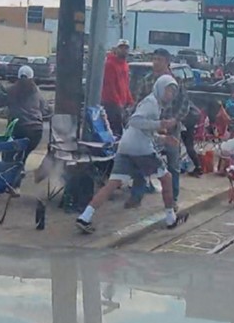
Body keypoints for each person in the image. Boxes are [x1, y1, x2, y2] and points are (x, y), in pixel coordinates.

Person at [76, 74, 188, 233]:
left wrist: (162, 138)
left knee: (112, 183)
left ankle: (85, 217)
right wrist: (160, 124)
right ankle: (171, 218)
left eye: (172, 92)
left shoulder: (154, 103)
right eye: (168, 90)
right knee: (167, 178)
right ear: (160, 88)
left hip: (126, 146)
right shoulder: (151, 103)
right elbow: (135, 121)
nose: (170, 95)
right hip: (141, 149)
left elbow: (141, 130)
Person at [128, 48, 191, 209]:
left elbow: (185, 105)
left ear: (167, 62)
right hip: (151, 128)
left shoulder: (176, 81)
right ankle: (136, 196)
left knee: (173, 165)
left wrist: (174, 120)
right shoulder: (147, 80)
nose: (156, 63)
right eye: (154, 59)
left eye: (160, 60)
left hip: (171, 127)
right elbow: (138, 103)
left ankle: (173, 200)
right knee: (142, 161)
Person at [5, 65, 51, 161]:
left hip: (17, 129)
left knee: (9, 154)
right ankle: (20, 164)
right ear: (32, 77)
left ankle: (11, 168)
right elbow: (44, 109)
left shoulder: (11, 90)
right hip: (36, 131)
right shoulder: (36, 91)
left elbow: (2, 103)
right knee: (23, 154)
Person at [101, 39, 134, 139]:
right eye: (121, 48)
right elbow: (110, 85)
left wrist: (130, 100)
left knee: (122, 130)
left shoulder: (125, 65)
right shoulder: (110, 64)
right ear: (116, 49)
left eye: (126, 48)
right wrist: (118, 103)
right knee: (115, 130)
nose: (124, 50)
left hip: (120, 104)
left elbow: (125, 85)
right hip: (111, 103)